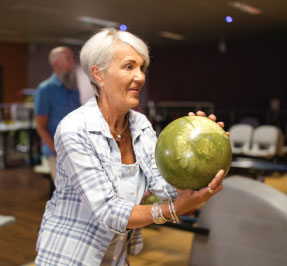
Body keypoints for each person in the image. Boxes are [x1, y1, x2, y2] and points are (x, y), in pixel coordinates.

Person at [35, 28, 225, 266]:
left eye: (142, 67)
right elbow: (109, 212)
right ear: (99, 74)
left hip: (117, 256)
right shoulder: (74, 128)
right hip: (69, 257)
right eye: (129, 66)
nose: (141, 76)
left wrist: (203, 153)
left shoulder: (140, 124)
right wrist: (174, 209)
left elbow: (165, 187)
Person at [35, 46, 81, 182]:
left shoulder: (74, 89)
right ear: (56, 64)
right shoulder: (45, 90)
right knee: (67, 195)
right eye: (68, 59)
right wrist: (58, 151)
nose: (73, 62)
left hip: (75, 150)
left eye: (73, 58)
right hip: (57, 154)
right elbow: (41, 127)